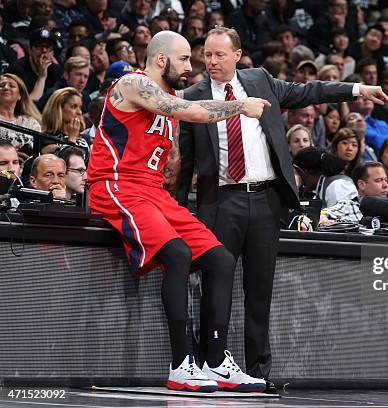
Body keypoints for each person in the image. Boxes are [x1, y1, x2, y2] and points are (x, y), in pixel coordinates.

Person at [177, 26, 388, 389]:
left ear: (237, 55)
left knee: (259, 294)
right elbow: (185, 165)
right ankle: (212, 364)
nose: (210, 61)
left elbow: (310, 91)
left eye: (218, 54)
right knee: (217, 289)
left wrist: (357, 89)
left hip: (265, 201)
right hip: (221, 203)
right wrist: (180, 213)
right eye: (206, 55)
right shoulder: (193, 96)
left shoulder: (259, 81)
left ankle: (259, 374)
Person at [87, 31, 270, 393]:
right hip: (116, 184)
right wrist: (239, 105)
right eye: (185, 59)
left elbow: (175, 147)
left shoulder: (168, 95)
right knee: (178, 253)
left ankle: (215, 362)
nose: (191, 67)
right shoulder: (132, 85)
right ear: (160, 59)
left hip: (154, 192)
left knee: (220, 258)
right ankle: (182, 365)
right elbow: (195, 112)